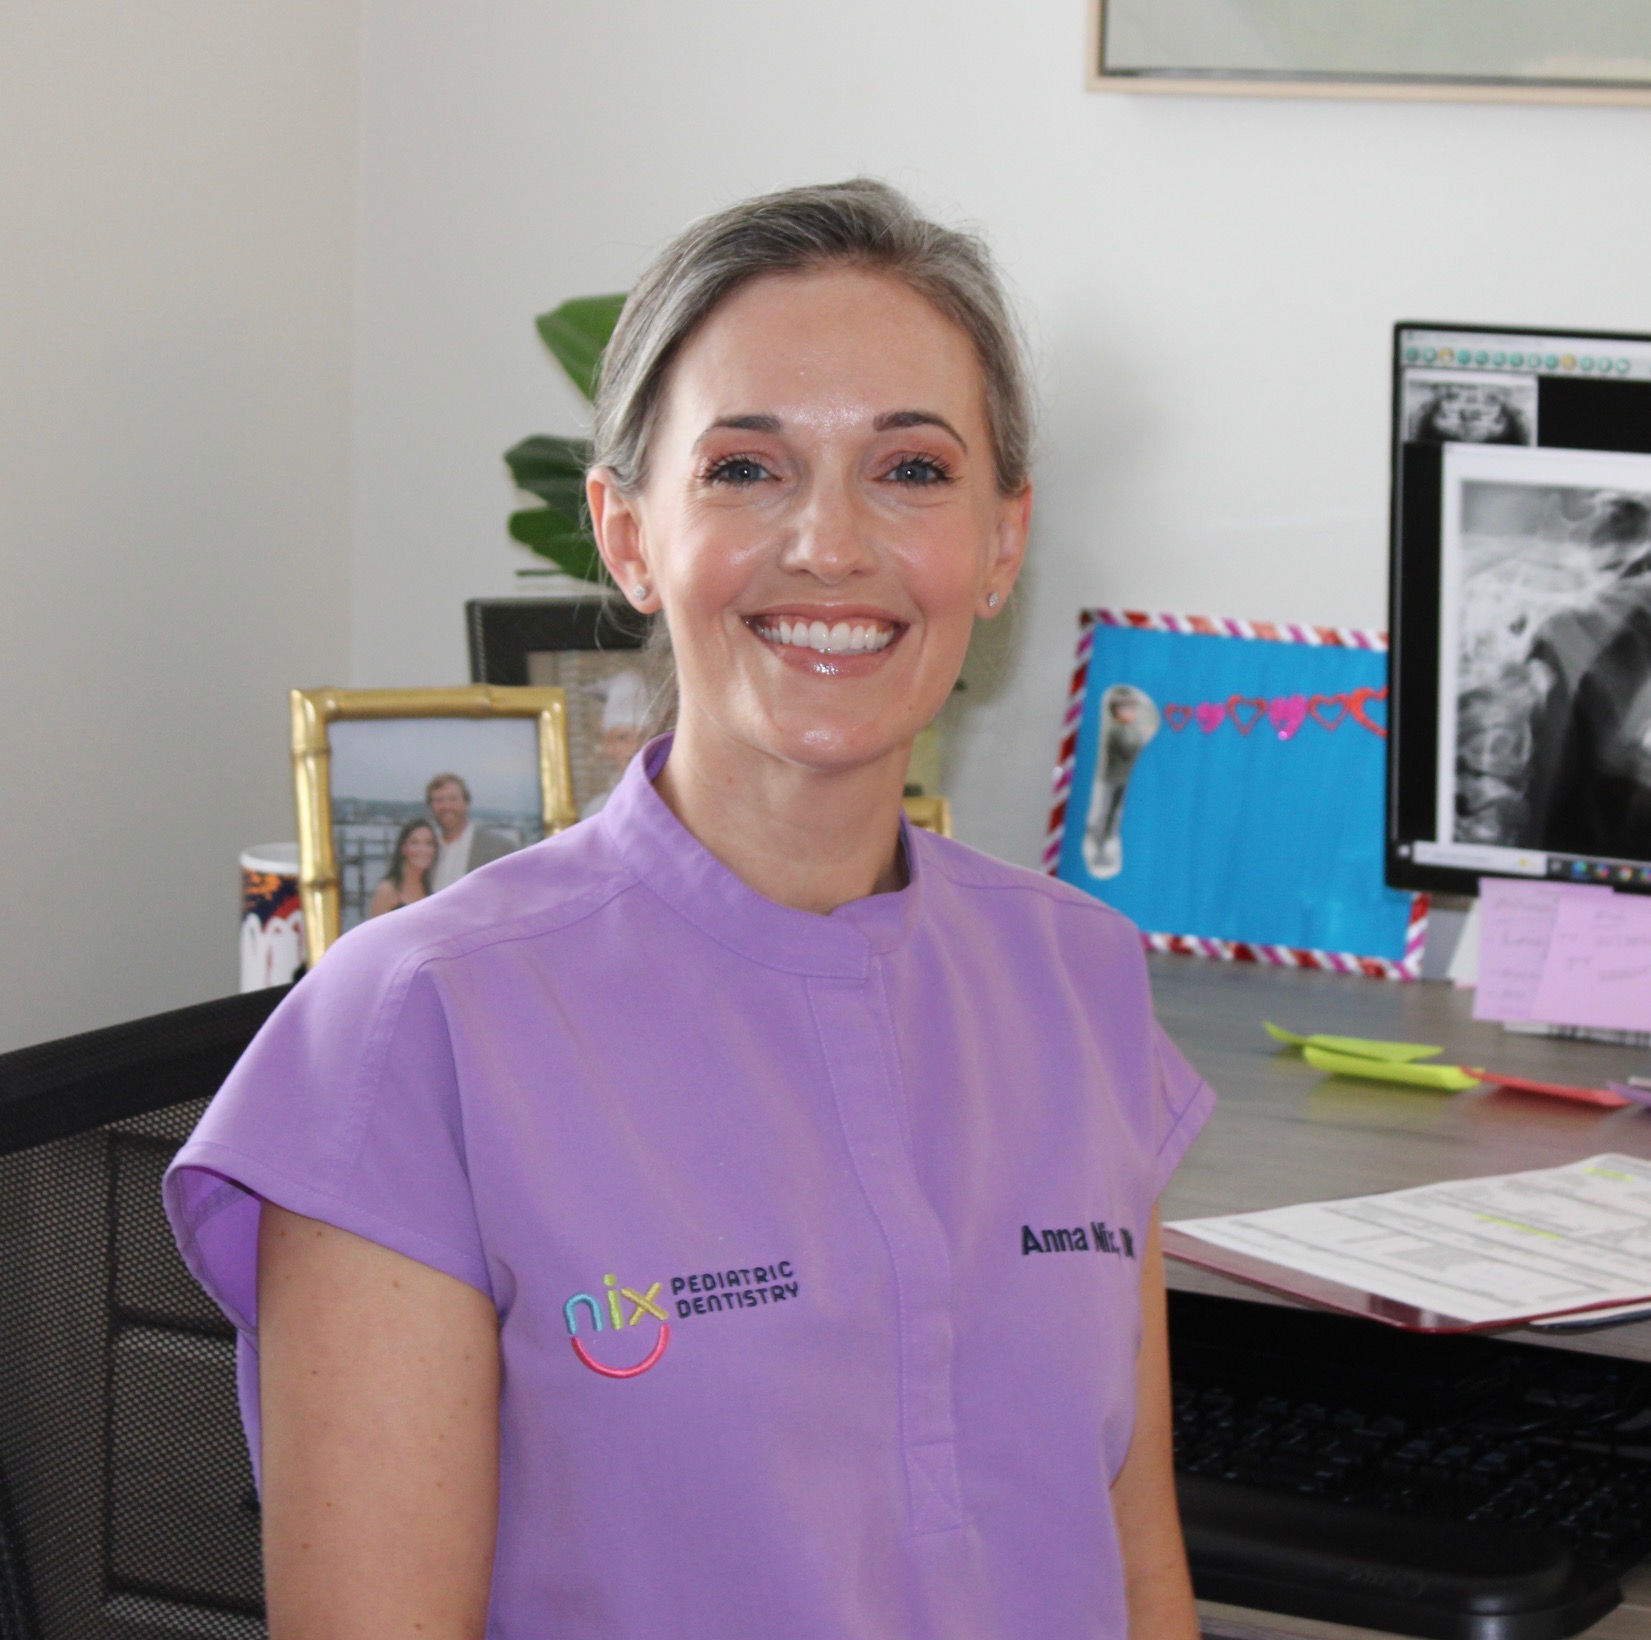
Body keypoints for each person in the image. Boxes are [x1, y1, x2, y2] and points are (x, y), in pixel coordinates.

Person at [164, 179, 1213, 1639]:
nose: (831, 546)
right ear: (626, 534)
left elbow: (1138, 1576)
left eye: (910, 469)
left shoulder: (1077, 977)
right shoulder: (416, 1027)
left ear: (999, 541)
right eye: (743, 470)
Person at [425, 772, 515, 890]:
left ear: (466, 803)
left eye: (453, 799)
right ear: (431, 806)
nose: (446, 806)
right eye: (439, 800)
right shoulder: (425, 851)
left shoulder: (500, 848)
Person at [366, 817, 438, 918]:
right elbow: (374, 932)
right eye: (415, 842)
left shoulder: (432, 890)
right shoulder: (387, 890)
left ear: (434, 849)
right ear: (403, 848)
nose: (422, 849)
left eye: (428, 843)